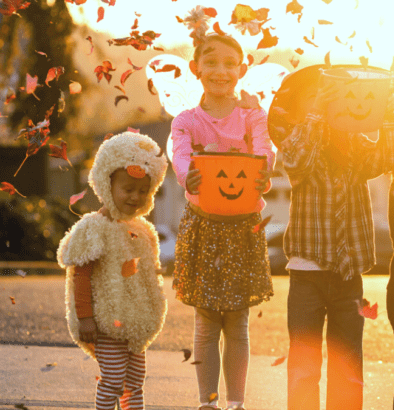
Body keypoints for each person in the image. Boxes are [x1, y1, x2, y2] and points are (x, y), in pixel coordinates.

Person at [268, 64, 394, 410]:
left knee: (348, 363)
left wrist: (386, 115)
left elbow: (386, 158)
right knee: (304, 365)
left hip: (347, 276)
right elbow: (297, 164)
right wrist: (314, 117)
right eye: (316, 97)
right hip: (306, 275)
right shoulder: (297, 138)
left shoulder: (354, 144)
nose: (326, 103)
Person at [170, 7, 275, 410]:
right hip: (204, 226)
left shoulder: (251, 118)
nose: (220, 70)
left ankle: (236, 403)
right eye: (211, 62)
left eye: (230, 63)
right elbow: (181, 155)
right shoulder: (187, 120)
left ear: (242, 69)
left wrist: (264, 170)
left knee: (238, 323)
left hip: (243, 227)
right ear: (196, 67)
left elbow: (265, 152)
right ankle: (207, 402)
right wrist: (186, 176)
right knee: (206, 321)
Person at [57, 131, 168, 410]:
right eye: (128, 189)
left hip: (134, 326)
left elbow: (148, 276)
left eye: (143, 190)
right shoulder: (93, 228)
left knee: (135, 380)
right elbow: (80, 275)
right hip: (106, 325)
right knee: (113, 379)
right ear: (107, 185)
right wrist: (85, 318)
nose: (135, 197)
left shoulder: (141, 231)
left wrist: (150, 309)